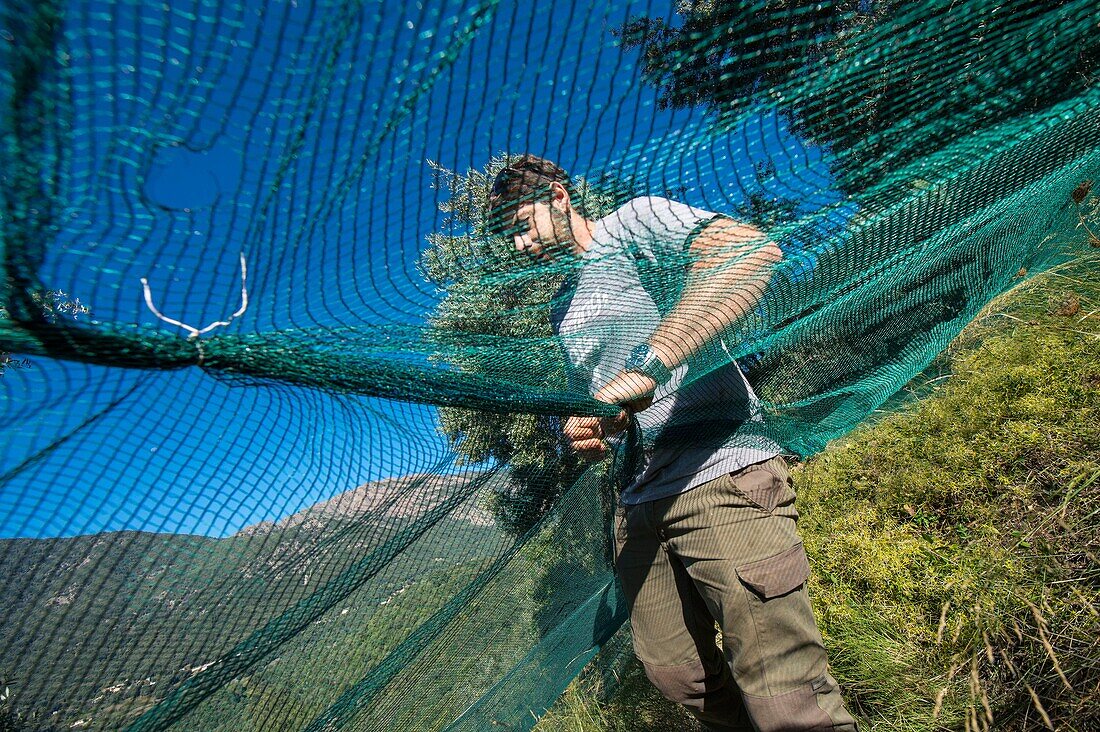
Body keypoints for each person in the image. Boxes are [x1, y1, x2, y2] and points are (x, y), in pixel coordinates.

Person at [488, 154, 858, 731]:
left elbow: (750, 254)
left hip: (717, 469)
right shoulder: (563, 308)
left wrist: (649, 365)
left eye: (521, 224)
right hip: (636, 499)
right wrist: (585, 428)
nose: (518, 246)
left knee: (782, 688)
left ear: (559, 198)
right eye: (508, 236)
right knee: (673, 671)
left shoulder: (633, 224)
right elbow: (605, 405)